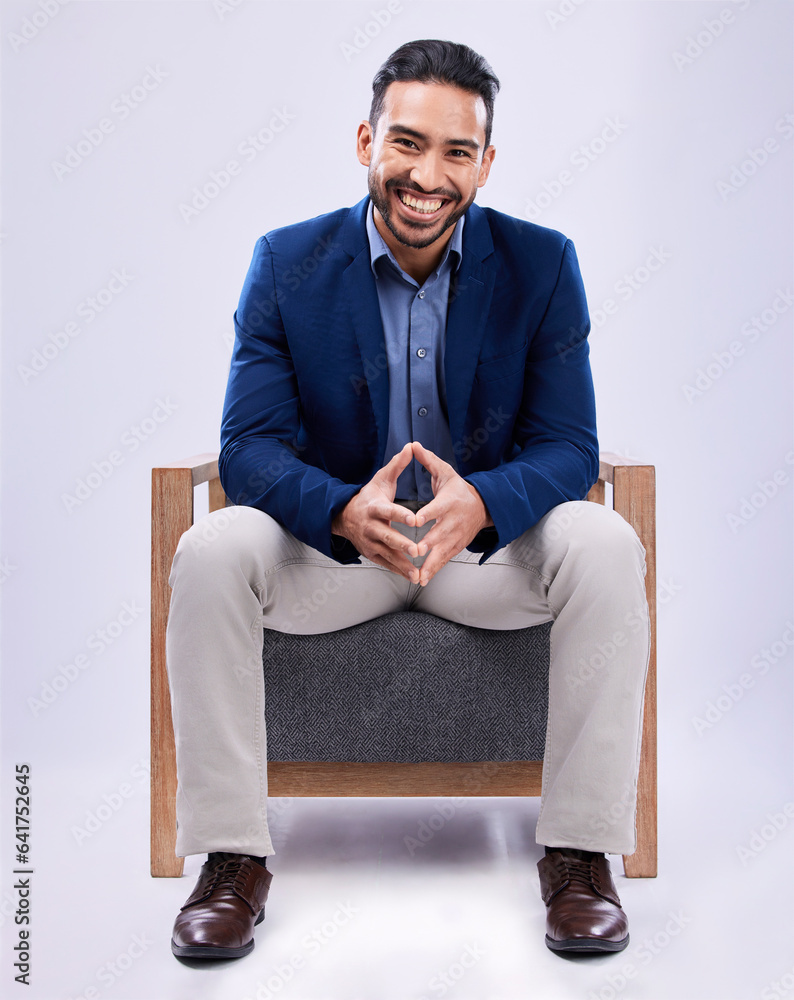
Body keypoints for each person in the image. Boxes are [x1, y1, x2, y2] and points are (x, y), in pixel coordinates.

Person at [166, 39, 650, 960]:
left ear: (486, 163)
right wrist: (346, 513)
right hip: (337, 557)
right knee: (214, 548)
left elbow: (569, 445)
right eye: (407, 143)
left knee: (606, 540)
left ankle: (581, 854)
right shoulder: (286, 262)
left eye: (456, 152)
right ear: (366, 141)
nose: (428, 176)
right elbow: (249, 447)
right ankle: (231, 857)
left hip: (486, 556)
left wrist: (486, 504)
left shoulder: (543, 264)